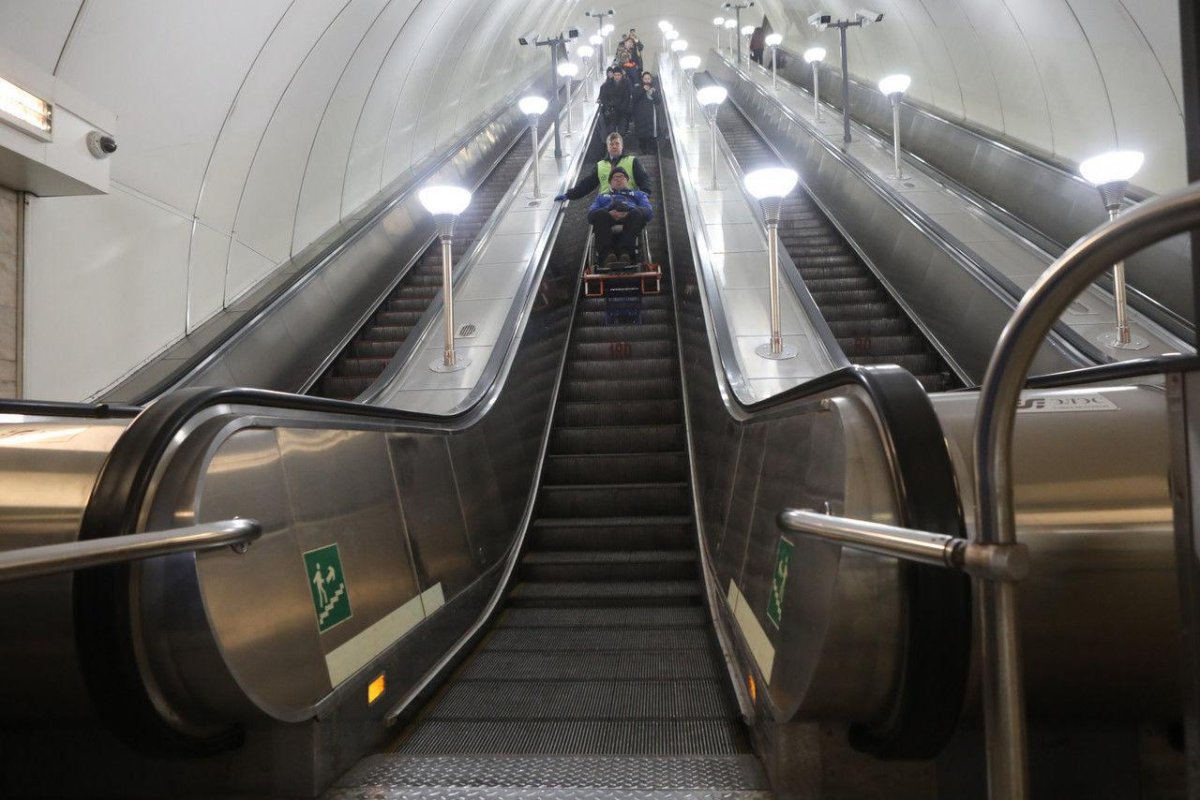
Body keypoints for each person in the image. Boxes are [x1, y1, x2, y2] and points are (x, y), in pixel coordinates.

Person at [556, 131, 651, 201]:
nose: (614, 146)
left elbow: (644, 179)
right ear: (607, 147)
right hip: (606, 203)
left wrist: (645, 193)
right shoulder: (600, 165)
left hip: (629, 200)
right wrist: (569, 195)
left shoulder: (632, 161)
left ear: (622, 146)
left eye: (617, 144)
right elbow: (588, 184)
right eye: (611, 144)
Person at [587, 167, 653, 266]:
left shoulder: (639, 195)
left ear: (627, 180)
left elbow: (649, 212)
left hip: (630, 218)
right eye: (615, 178)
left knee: (637, 213)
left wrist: (629, 210)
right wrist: (608, 211)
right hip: (608, 219)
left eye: (621, 177)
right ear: (610, 182)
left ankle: (625, 254)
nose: (618, 179)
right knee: (599, 214)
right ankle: (607, 256)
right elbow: (591, 214)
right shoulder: (601, 197)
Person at [631, 71, 660, 151]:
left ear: (651, 79)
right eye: (645, 79)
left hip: (651, 115)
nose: (647, 80)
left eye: (648, 79)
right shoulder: (638, 88)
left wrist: (653, 93)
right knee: (642, 132)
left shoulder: (654, 89)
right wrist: (643, 90)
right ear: (642, 79)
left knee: (651, 133)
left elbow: (658, 101)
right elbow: (635, 97)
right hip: (640, 115)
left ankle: (651, 149)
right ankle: (643, 148)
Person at [598, 68, 631, 136]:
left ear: (621, 75)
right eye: (615, 75)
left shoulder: (626, 84)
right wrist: (608, 107)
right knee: (611, 132)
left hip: (623, 112)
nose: (617, 77)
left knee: (622, 132)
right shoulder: (607, 85)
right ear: (613, 75)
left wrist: (623, 108)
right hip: (611, 112)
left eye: (618, 75)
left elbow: (627, 98)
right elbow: (603, 97)